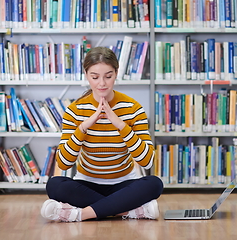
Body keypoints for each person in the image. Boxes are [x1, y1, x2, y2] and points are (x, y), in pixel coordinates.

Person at [40, 46, 163, 222]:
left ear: (116, 73)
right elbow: (64, 163)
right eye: (95, 77)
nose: (102, 84)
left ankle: (80, 214)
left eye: (108, 76)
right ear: (86, 75)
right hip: (87, 184)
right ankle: (129, 211)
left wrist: (121, 125)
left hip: (124, 184)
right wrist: (83, 128)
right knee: (54, 185)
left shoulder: (133, 109)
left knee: (154, 184)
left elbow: (147, 161)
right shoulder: (75, 111)